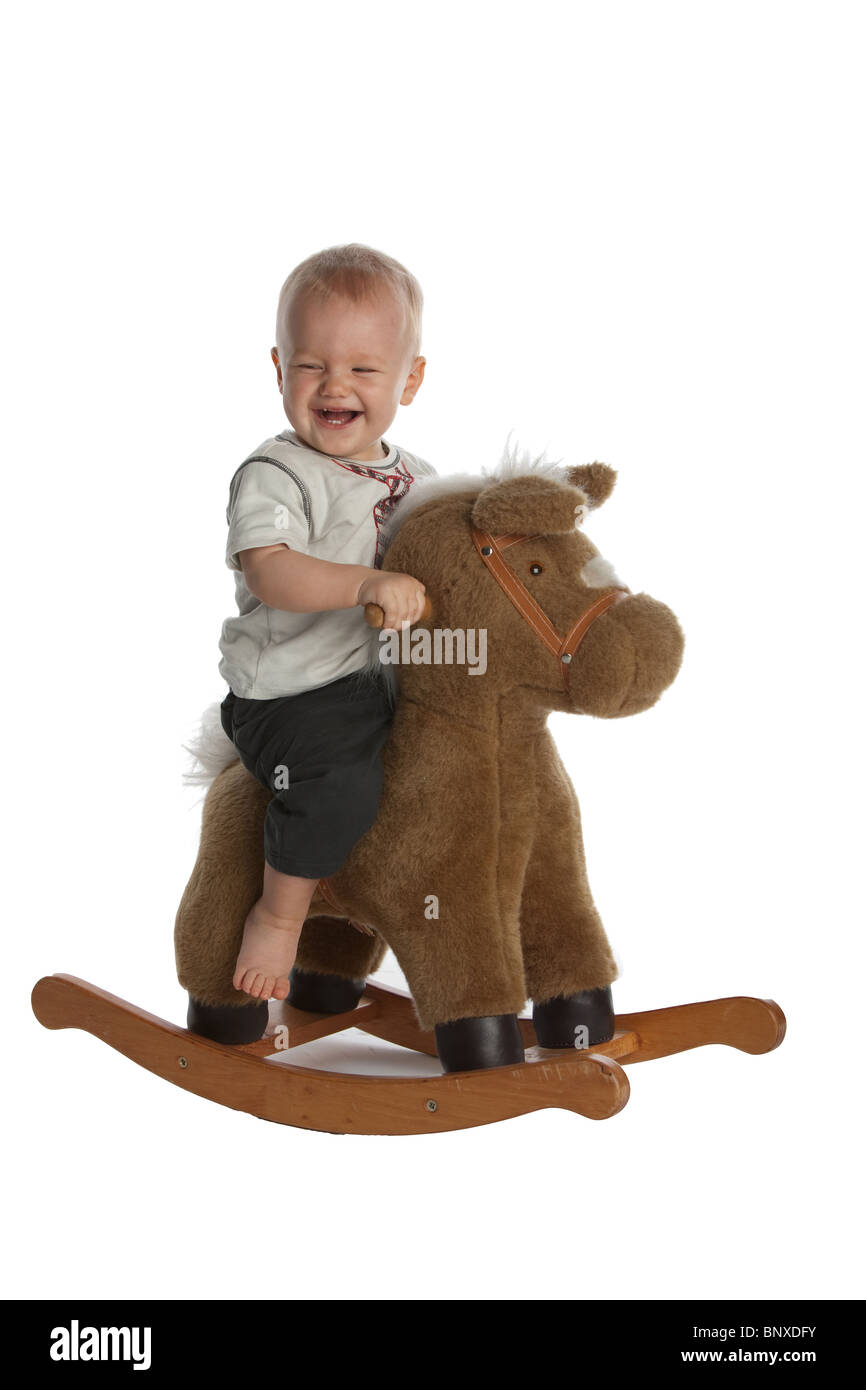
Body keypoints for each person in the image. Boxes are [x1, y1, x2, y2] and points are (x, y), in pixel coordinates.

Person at [217, 243, 436, 1004]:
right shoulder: (276, 473)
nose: (334, 385)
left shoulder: (421, 482)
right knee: (339, 783)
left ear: (409, 379)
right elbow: (270, 569)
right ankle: (279, 919)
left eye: (364, 370)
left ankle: (442, 944)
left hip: (385, 685)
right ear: (280, 369)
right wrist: (368, 581)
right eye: (312, 366)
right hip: (292, 694)